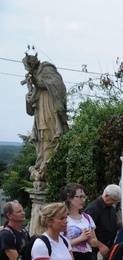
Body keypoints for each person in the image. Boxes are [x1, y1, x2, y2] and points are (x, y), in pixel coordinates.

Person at [21, 53, 68, 182]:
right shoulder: (35, 75)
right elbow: (31, 102)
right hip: (40, 113)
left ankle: (47, 168)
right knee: (42, 138)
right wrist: (30, 90)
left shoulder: (47, 69)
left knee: (50, 136)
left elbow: (58, 86)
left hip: (50, 110)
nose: (26, 70)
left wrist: (37, 83)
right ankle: (42, 165)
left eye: (26, 67)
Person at [61, 183, 109, 260]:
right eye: (80, 197)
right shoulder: (63, 218)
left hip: (87, 257)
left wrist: (91, 239)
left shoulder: (87, 218)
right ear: (69, 198)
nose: (83, 200)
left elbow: (94, 242)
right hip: (71, 258)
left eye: (84, 196)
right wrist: (80, 238)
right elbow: (59, 244)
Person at [84, 184, 121, 260]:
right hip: (94, 247)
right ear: (107, 196)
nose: (114, 203)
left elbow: (112, 224)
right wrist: (100, 245)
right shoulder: (93, 208)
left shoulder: (111, 208)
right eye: (114, 200)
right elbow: (88, 230)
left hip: (108, 245)